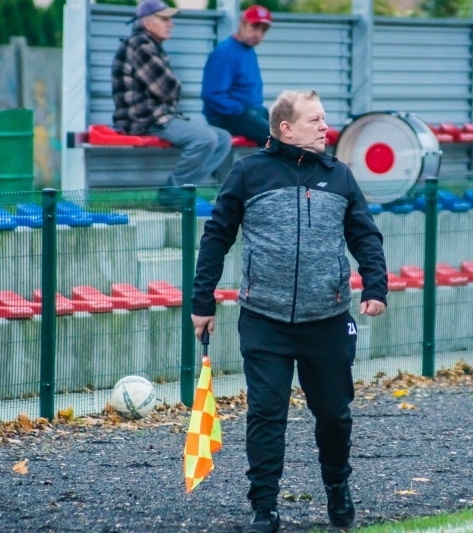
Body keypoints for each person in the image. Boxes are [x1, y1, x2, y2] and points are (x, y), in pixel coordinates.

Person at [191, 90, 388, 533]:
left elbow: (365, 237)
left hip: (328, 321)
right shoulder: (247, 173)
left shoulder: (340, 177)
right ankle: (265, 508)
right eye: (315, 120)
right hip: (264, 319)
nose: (325, 127)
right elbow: (216, 237)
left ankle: (338, 487)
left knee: (335, 415)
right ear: (286, 128)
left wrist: (376, 285)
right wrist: (201, 301)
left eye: (324, 119)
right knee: (266, 413)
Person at [112, 0, 232, 190]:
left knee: (223, 138)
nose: (171, 23)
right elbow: (169, 89)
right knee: (205, 139)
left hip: (160, 116)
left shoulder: (151, 45)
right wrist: (174, 87)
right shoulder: (140, 45)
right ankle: (172, 193)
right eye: (164, 19)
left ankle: (185, 189)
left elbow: (168, 90)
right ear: (147, 22)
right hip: (143, 119)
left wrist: (173, 88)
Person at [201, 5, 273, 146]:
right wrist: (241, 110)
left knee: (292, 130)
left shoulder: (248, 51)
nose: (258, 34)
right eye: (255, 27)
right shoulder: (225, 52)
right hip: (227, 117)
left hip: (251, 112)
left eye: (263, 30)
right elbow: (212, 95)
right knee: (280, 139)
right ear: (243, 23)